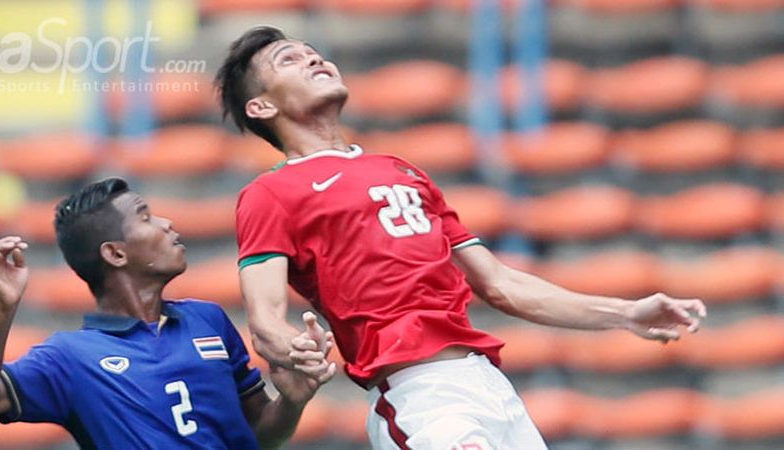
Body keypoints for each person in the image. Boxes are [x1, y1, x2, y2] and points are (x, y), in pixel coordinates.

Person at [215, 27, 708, 450]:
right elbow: (265, 321)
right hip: (419, 396)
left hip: (491, 387)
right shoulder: (270, 193)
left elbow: (500, 285)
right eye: (290, 59)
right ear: (261, 105)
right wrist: (291, 349)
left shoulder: (403, 171)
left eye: (314, 52)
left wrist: (626, 312)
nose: (314, 59)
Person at [0, 177, 336, 450]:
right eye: (145, 217)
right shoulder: (69, 358)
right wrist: (3, 310)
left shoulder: (210, 321)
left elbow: (259, 435)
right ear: (115, 254)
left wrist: (291, 401)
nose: (167, 223)